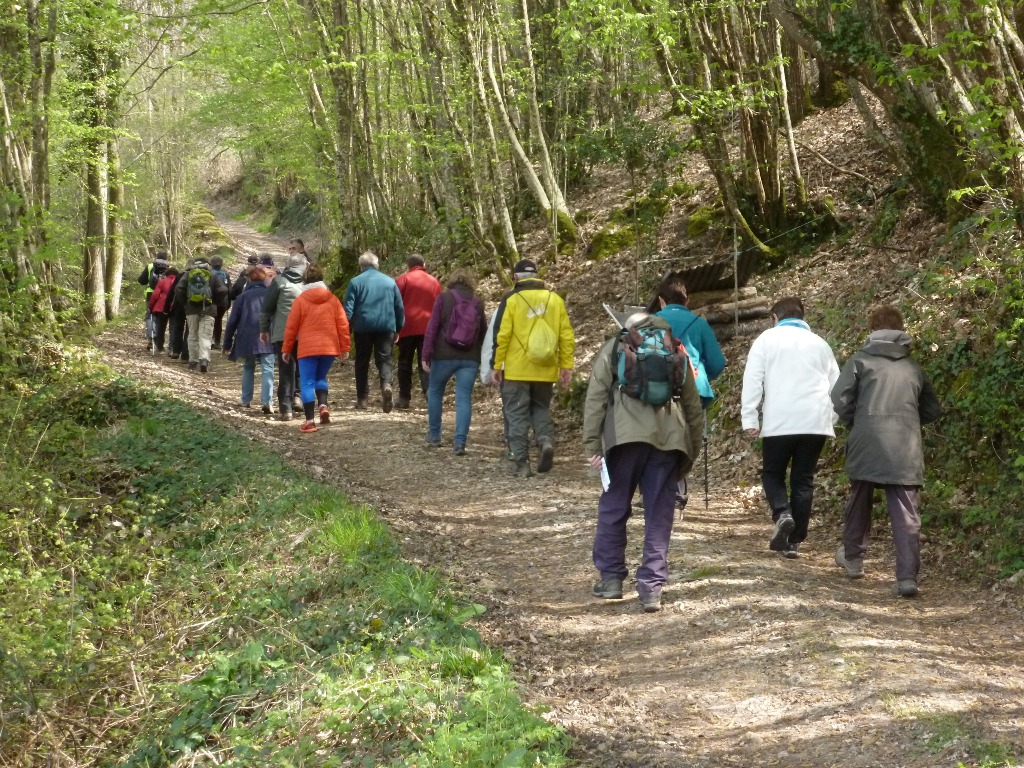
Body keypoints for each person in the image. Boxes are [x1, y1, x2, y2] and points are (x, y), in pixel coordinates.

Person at [583, 312, 704, 612]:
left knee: (614, 505)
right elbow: (692, 404)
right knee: (659, 514)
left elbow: (596, 395)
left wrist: (592, 443)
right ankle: (651, 588)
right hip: (668, 441)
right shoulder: (674, 348)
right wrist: (692, 449)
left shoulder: (617, 346)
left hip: (623, 440)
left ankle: (611, 579)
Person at [831, 305, 941, 597]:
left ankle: (853, 559)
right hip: (905, 447)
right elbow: (932, 408)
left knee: (860, 499)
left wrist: (856, 421)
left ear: (872, 331)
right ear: (901, 332)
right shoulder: (913, 367)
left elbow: (839, 398)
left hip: (866, 440)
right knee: (906, 512)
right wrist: (910, 421)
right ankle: (907, 578)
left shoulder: (860, 362)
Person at [741, 296, 840, 557]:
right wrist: (832, 419)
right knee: (803, 480)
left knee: (772, 474)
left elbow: (753, 380)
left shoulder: (766, 340)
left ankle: (783, 514)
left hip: (780, 421)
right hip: (815, 422)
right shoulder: (820, 344)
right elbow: (837, 386)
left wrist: (750, 419)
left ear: (775, 318)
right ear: (802, 316)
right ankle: (794, 541)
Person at [491, 259, 575, 477]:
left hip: (517, 369)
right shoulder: (555, 300)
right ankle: (545, 440)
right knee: (541, 408)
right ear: (537, 276)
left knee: (517, 414)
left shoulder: (513, 299)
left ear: (516, 278)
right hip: (545, 368)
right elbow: (566, 336)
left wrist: (497, 364)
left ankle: (522, 463)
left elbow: (504, 335)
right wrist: (566, 365)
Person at [651, 270, 727, 507]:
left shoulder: (652, 323)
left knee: (659, 435)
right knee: (687, 435)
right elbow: (718, 363)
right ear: (687, 300)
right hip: (695, 388)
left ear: (662, 301)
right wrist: (704, 376)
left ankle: (658, 486)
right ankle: (679, 484)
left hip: (659, 388)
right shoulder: (699, 323)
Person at [421, 269, 487, 455]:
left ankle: (434, 435)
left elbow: (432, 328)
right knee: (463, 398)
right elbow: (483, 332)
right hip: (469, 358)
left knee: (435, 392)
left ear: (452, 282)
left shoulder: (444, 298)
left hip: (443, 356)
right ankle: (460, 443)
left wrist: (425, 355)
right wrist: (483, 357)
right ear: (470, 283)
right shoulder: (478, 302)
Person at [282, 264, 351, 433]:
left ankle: (309, 421)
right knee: (321, 377)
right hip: (329, 347)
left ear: (305, 280)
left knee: (307, 382)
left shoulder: (301, 300)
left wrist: (286, 348)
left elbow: (291, 327)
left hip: (307, 348)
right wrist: (345, 347)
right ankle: (323, 406)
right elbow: (343, 325)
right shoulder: (333, 299)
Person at [343, 251, 405, 412]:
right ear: (376, 265)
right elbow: (399, 307)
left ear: (361, 266)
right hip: (386, 326)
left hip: (363, 327)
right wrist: (398, 328)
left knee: (362, 362)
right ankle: (385, 384)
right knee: (385, 359)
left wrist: (346, 329)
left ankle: (362, 399)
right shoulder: (390, 282)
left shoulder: (355, 282)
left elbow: (348, 309)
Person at [260, 250, 308, 421]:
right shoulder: (308, 283)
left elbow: (267, 308)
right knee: (304, 369)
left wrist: (264, 329)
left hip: (283, 333)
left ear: (288, 266)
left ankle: (285, 409)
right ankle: (300, 399)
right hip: (305, 333)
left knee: (286, 370)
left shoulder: (279, 282)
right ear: (304, 266)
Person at [223, 266, 277, 414]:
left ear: (249, 279)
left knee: (248, 366)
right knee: (268, 368)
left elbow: (232, 321)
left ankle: (246, 400)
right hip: (268, 336)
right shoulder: (272, 295)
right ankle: (267, 401)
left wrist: (226, 343)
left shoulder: (242, 297)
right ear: (264, 279)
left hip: (247, 338)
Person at [394, 253, 442, 409]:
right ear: (424, 264)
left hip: (406, 327)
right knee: (426, 362)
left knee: (404, 362)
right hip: (429, 329)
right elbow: (441, 306)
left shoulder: (402, 280)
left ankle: (404, 398)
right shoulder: (434, 282)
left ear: (409, 266)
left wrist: (394, 328)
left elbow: (394, 304)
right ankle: (429, 393)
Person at [173, 256, 230, 373]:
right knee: (205, 336)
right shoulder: (212, 275)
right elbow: (223, 290)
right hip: (208, 310)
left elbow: (178, 289)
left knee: (192, 334)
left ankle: (193, 361)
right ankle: (204, 360)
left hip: (191, 309)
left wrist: (185, 302)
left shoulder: (188, 274)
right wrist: (214, 303)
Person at [138, 252, 169, 352]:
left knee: (150, 316)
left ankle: (151, 338)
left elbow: (141, 281)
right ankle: (160, 343)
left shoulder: (150, 266)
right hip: (164, 296)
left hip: (151, 294)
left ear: (157, 257)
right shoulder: (169, 267)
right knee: (162, 318)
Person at [147, 266, 179, 355]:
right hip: (174, 307)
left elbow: (155, 295)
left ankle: (159, 347)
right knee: (173, 328)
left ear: (167, 274)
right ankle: (171, 348)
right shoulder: (179, 282)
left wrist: (151, 306)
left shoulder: (162, 282)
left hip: (161, 307)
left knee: (160, 328)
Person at [165, 264, 190, 361]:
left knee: (178, 328)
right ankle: (185, 354)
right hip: (191, 306)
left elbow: (172, 292)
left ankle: (175, 351)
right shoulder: (199, 276)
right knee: (189, 330)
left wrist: (166, 308)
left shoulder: (180, 276)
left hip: (178, 306)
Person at [209, 255, 231, 350]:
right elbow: (230, 289)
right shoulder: (225, 274)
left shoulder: (209, 273)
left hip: (211, 301)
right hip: (223, 302)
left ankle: (209, 341)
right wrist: (229, 301)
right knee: (218, 321)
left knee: (210, 321)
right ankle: (217, 341)